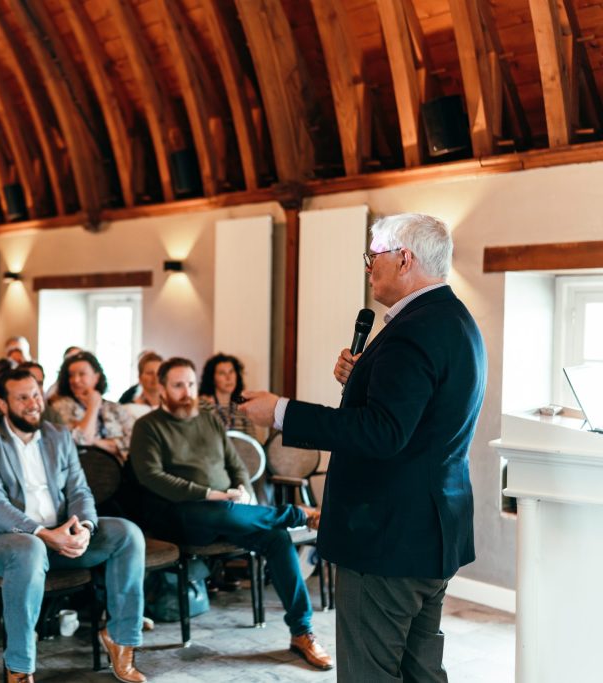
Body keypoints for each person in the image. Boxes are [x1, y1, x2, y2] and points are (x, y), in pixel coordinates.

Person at [239, 213, 487, 681]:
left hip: (389, 538)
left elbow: (382, 434)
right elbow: (422, 416)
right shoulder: (453, 320)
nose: (368, 266)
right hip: (433, 531)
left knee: (368, 672)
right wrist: (364, 383)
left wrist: (281, 412)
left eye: (373, 255)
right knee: (419, 671)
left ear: (404, 258)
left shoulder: (412, 330)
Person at [128, 357, 331, 671]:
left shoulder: (208, 419)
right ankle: (296, 515)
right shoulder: (148, 426)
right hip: (179, 515)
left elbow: (233, 460)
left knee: (275, 537)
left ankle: (302, 632)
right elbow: (151, 477)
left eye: (191, 384)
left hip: (226, 509)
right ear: (162, 389)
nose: (186, 391)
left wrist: (241, 486)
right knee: (217, 512)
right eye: (178, 385)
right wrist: (210, 494)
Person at [0, 367, 148, 683]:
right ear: (3, 404)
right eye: (22, 397)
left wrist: (84, 527)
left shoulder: (58, 435)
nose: (33, 403)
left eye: (36, 394)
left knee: (128, 534)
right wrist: (42, 533)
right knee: (29, 548)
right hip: (6, 540)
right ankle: (19, 665)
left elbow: (79, 490)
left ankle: (120, 637)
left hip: (60, 534)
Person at [50, 351, 135, 464]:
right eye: (71, 375)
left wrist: (95, 442)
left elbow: (133, 443)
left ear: (96, 377)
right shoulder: (60, 407)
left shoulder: (114, 408)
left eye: (82, 374)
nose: (75, 380)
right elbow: (82, 439)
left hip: (120, 470)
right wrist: (92, 407)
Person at [198, 352, 260, 441]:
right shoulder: (201, 405)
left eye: (231, 372)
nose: (228, 377)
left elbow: (252, 444)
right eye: (222, 373)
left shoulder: (243, 408)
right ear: (212, 378)